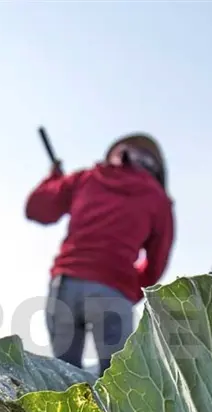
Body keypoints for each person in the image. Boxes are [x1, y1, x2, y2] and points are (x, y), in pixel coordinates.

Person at [25, 133, 175, 375]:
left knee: (65, 380)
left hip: (65, 285)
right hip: (113, 293)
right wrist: (125, 288)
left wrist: (53, 179)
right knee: (119, 382)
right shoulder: (159, 200)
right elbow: (155, 265)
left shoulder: (86, 178)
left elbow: (37, 208)